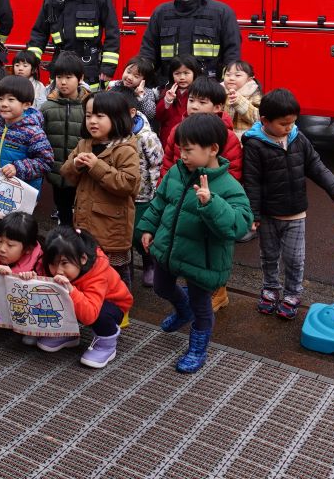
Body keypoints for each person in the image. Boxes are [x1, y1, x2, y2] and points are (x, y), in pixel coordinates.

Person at [137, 114, 253, 373]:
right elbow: (160, 202)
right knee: (161, 286)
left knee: (203, 307)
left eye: (188, 150)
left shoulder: (228, 185)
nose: (182, 156)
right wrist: (147, 227)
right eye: (180, 149)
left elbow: (240, 224)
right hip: (169, 248)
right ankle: (183, 309)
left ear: (213, 149)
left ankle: (198, 348)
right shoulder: (176, 173)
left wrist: (212, 203)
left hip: (204, 260)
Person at [242, 88, 334, 320]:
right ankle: (270, 289)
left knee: (295, 258)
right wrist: (253, 214)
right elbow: (252, 182)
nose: (288, 127)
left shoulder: (298, 138)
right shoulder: (254, 145)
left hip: (296, 213)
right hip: (268, 214)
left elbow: (316, 166)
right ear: (264, 120)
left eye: (292, 122)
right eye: (283, 123)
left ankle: (292, 294)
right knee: (269, 255)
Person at [58, 91, 141, 289]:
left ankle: (120, 312)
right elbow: (66, 173)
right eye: (88, 116)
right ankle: (92, 308)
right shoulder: (84, 144)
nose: (92, 121)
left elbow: (129, 185)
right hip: (85, 223)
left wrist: (96, 166)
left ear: (117, 118)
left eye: (99, 116)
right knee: (90, 270)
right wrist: (76, 165)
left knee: (115, 275)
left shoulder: (125, 149)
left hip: (112, 229)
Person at [34, 227, 133, 369]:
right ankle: (68, 333)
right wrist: (30, 276)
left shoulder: (97, 274)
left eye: (64, 263)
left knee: (101, 315)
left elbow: (90, 316)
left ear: (83, 259)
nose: (58, 271)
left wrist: (71, 290)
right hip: (84, 300)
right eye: (53, 264)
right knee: (52, 294)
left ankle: (106, 345)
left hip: (111, 304)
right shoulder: (56, 269)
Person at [26, 0, 121, 89]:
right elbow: (39, 33)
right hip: (60, 66)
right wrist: (31, 63)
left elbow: (112, 34)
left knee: (88, 108)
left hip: (89, 68)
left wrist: (108, 67)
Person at [139, 0, 241, 81]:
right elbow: (148, 51)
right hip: (168, 88)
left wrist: (224, 86)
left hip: (206, 90)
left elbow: (232, 54)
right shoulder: (161, 13)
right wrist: (143, 78)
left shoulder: (222, 13)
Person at [0, 75, 54, 194]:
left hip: (20, 193)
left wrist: (18, 168)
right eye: (0, 99)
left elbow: (45, 161)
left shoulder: (33, 132)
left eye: (11, 100)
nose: (3, 104)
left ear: (26, 104)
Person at [40, 53, 90, 227]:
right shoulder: (47, 107)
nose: (63, 82)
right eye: (59, 77)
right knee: (63, 210)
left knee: (81, 212)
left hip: (81, 173)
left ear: (80, 78)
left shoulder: (88, 106)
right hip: (56, 173)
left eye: (69, 77)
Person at [161, 77, 243, 182]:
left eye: (202, 102)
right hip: (178, 190)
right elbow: (167, 165)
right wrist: (163, 190)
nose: (194, 106)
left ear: (217, 108)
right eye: (191, 100)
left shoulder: (227, 136)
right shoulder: (177, 130)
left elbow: (232, 173)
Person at [122, 92, 164, 289]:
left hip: (143, 194)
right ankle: (126, 268)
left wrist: (156, 192)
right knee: (123, 235)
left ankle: (149, 263)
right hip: (122, 193)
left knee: (140, 234)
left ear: (132, 112)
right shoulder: (115, 133)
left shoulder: (146, 137)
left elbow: (157, 165)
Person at [154, 56, 203, 141]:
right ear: (172, 75)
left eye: (186, 73)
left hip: (192, 137)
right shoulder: (167, 91)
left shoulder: (200, 92)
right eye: (177, 73)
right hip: (168, 138)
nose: (182, 77)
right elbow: (159, 116)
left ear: (194, 73)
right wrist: (167, 101)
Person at [108, 55, 158, 124]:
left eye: (136, 76)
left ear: (144, 80)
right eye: (128, 72)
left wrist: (140, 97)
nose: (130, 77)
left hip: (136, 128)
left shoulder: (147, 93)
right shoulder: (115, 86)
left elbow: (150, 114)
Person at [222, 60, 262, 135]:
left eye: (237, 75)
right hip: (223, 136)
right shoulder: (220, 91)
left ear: (249, 79)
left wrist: (239, 102)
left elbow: (258, 118)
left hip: (245, 139)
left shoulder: (254, 94)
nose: (231, 78)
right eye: (228, 75)